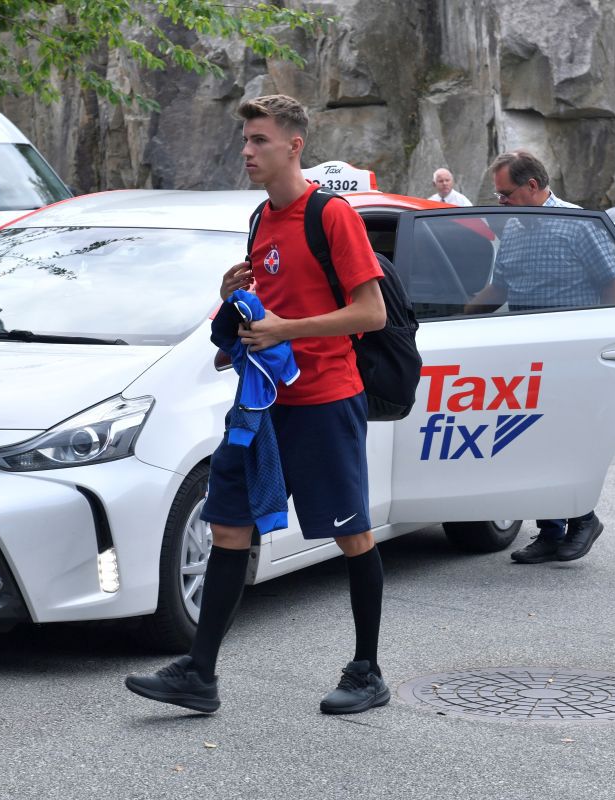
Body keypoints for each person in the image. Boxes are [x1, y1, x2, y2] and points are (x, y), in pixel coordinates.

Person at [124, 94, 390, 715]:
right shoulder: (259, 219)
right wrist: (235, 302)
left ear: (294, 146)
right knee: (228, 526)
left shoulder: (332, 216)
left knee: (351, 534)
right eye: (245, 140)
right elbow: (268, 305)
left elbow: (371, 313)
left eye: (259, 141)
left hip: (326, 399)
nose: (247, 151)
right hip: (262, 402)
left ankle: (367, 671)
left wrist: (283, 330)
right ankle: (200, 674)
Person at [465, 150, 615, 564]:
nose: (500, 202)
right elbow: (499, 288)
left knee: (562, 442)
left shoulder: (576, 222)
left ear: (532, 186)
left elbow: (611, 283)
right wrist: (452, 317)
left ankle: (583, 519)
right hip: (525, 355)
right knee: (529, 441)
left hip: (572, 355)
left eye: (505, 194)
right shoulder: (513, 226)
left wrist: (603, 340)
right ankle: (550, 531)